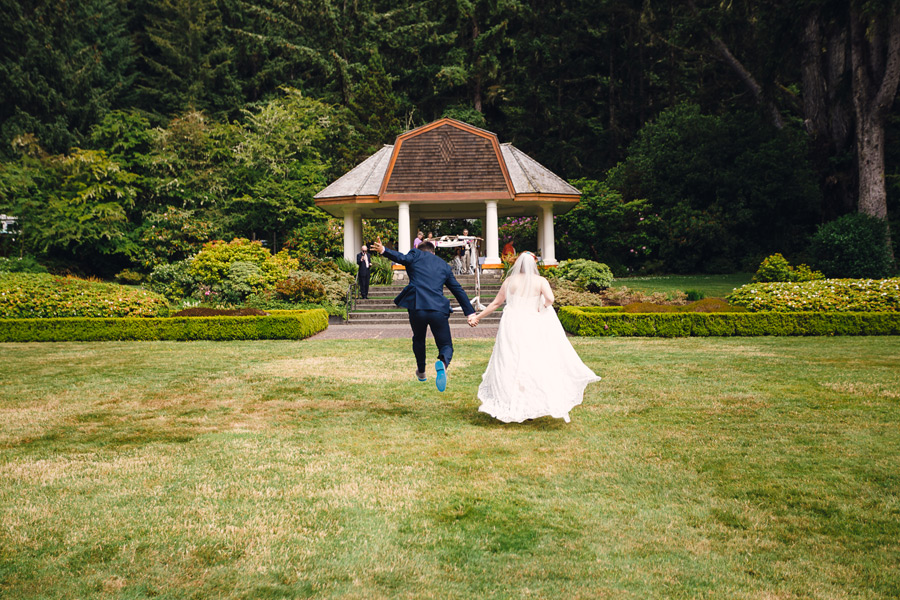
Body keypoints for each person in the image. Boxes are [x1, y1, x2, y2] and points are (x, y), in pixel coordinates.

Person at [470, 252, 600, 423]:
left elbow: (495, 303)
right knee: (533, 360)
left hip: (512, 325)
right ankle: (530, 402)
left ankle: (510, 400)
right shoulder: (541, 281)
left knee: (510, 361)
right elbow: (550, 299)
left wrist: (477, 317)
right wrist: (542, 306)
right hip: (532, 324)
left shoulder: (509, 281)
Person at [372, 238, 477, 392]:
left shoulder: (415, 255)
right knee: (446, 345)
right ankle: (443, 362)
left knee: (419, 338)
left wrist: (383, 251)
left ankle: (421, 371)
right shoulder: (443, 265)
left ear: (419, 249)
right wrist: (470, 312)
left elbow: (401, 258)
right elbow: (457, 289)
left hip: (417, 307)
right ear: (433, 252)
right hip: (438, 309)